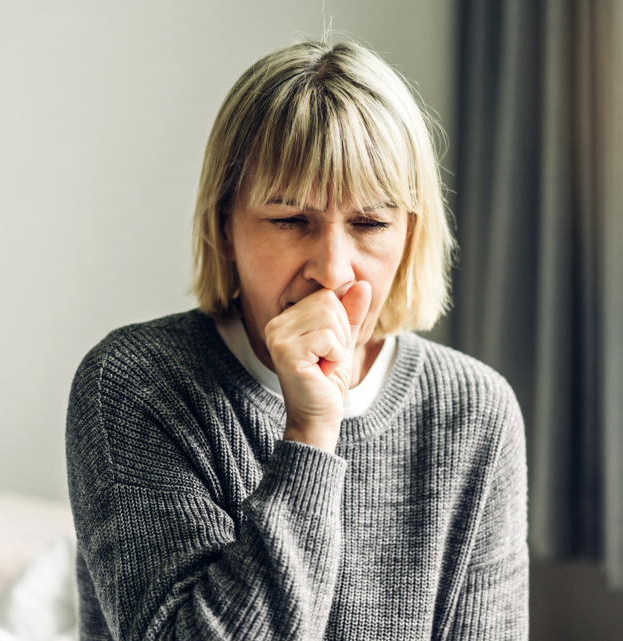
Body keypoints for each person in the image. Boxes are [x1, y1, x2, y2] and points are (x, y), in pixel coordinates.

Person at [66, 39, 527, 640]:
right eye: (290, 220)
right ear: (224, 226)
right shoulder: (135, 383)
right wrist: (310, 434)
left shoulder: (475, 411)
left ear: (410, 235)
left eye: (370, 223)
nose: (333, 270)